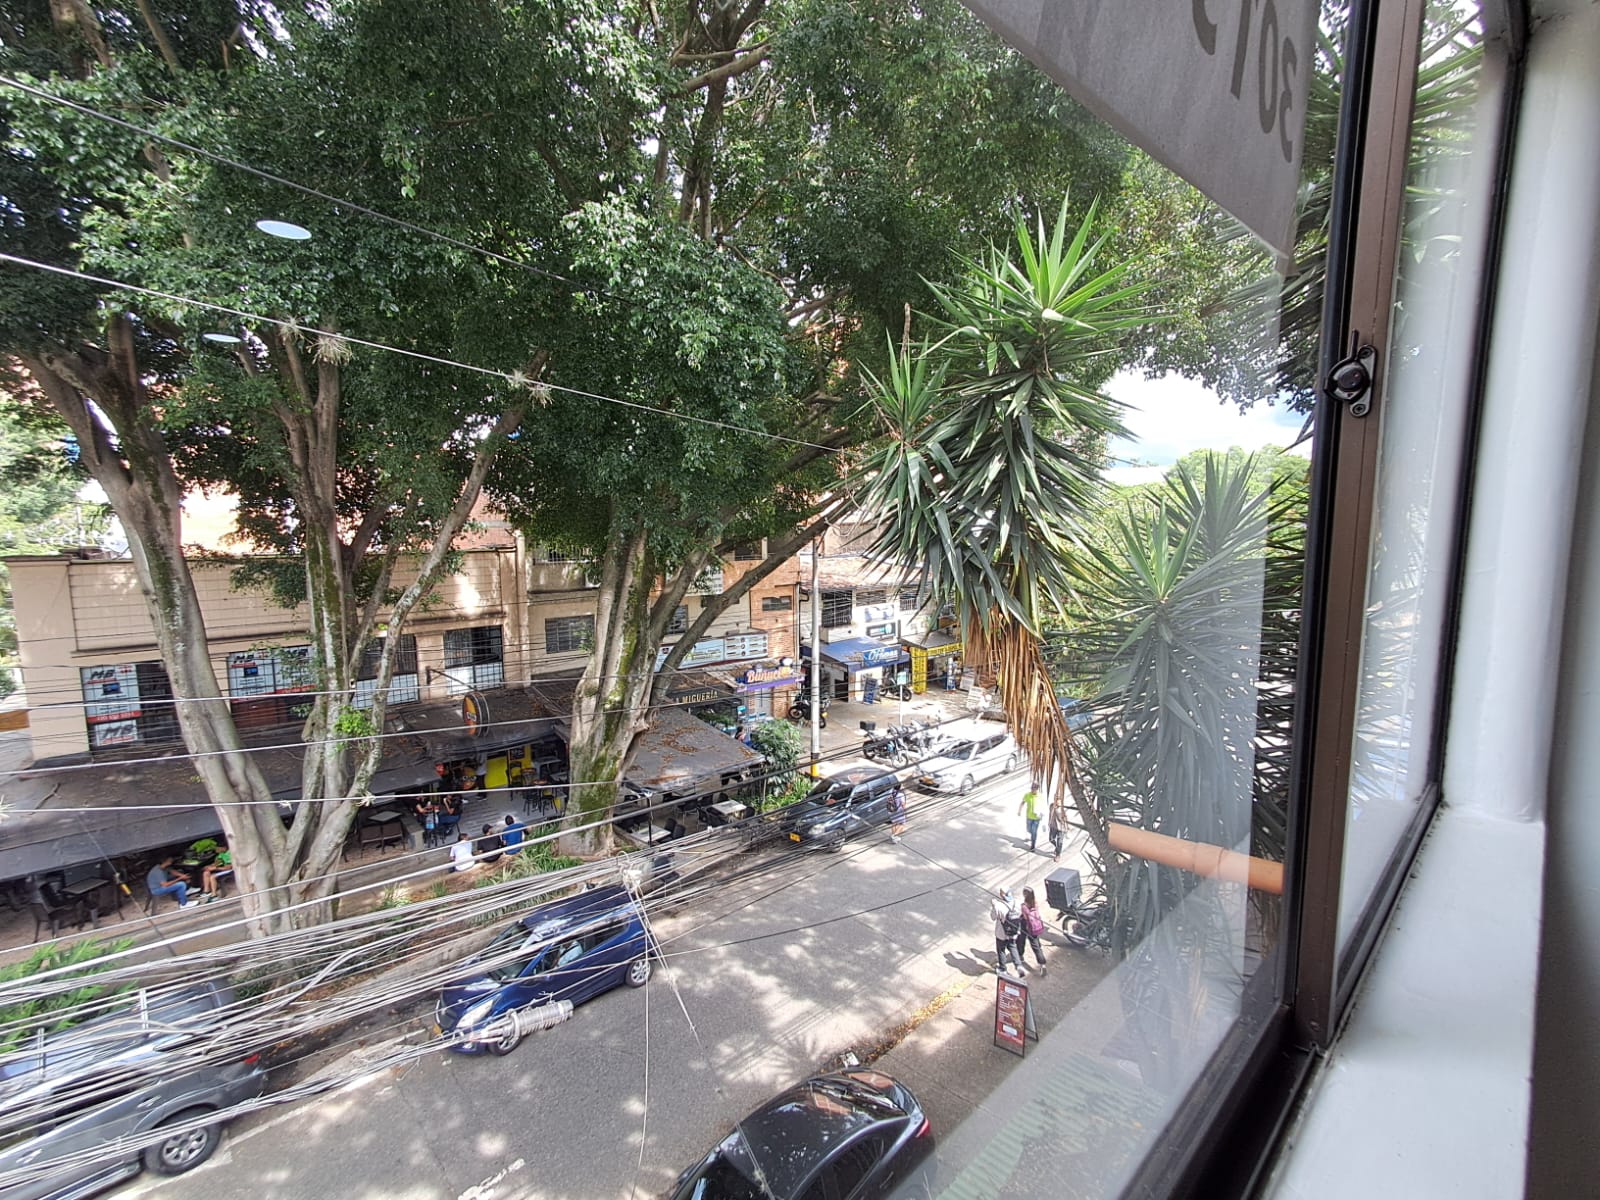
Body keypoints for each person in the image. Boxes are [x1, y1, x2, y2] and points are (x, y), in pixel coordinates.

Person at [990, 887, 1027, 977]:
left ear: (1002, 894)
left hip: (1001, 933)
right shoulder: (1017, 903)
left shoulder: (999, 906)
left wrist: (994, 906)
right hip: (1013, 932)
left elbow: (993, 917)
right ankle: (1018, 965)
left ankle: (1003, 969)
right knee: (1013, 947)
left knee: (1001, 950)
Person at [1017, 886, 1048, 974]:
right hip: (1035, 926)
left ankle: (1020, 955)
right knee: (1036, 945)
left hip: (1026, 925)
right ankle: (1042, 963)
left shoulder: (1024, 906)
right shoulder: (1035, 903)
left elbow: (1025, 917)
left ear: (1025, 895)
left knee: (1021, 940)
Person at [1018, 785, 1043, 852]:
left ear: (1037, 789)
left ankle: (1033, 846)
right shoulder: (1027, 795)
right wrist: (1019, 811)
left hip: (1037, 817)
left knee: (1034, 831)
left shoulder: (1040, 796)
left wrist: (1042, 814)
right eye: (1032, 788)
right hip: (1029, 817)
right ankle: (1033, 837)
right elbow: (1022, 803)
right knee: (1029, 829)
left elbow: (1042, 806)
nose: (1033, 790)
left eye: (1034, 789)